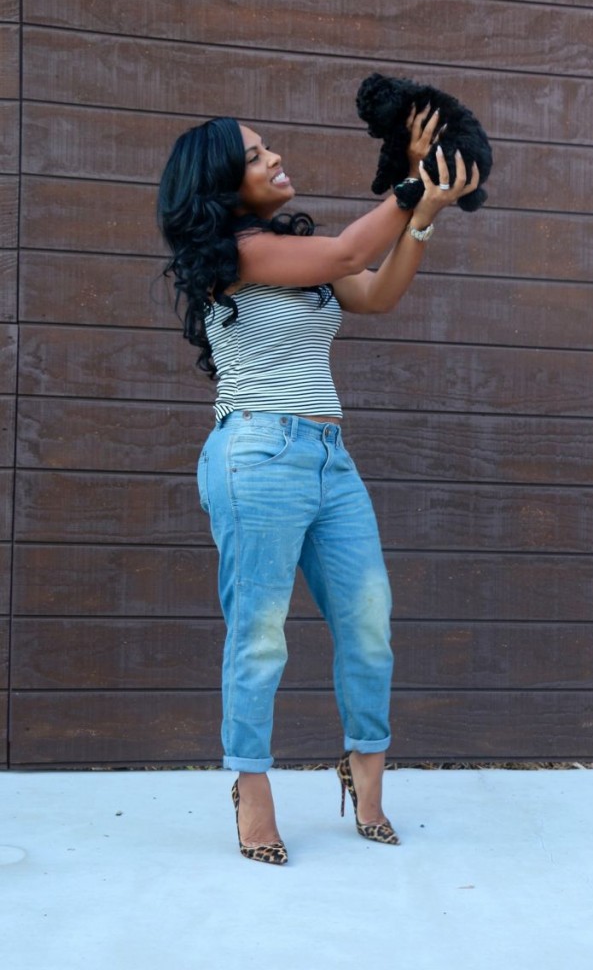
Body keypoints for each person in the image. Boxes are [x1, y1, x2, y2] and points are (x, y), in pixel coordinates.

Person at [157, 105, 479, 864]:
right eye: (254, 155)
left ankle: (364, 774)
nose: (274, 158)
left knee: (368, 623)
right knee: (260, 634)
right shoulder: (238, 252)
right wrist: (412, 184)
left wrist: (424, 214)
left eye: (269, 146)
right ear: (220, 181)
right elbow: (348, 253)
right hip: (258, 452)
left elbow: (374, 292)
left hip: (330, 457)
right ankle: (251, 787)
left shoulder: (296, 253)